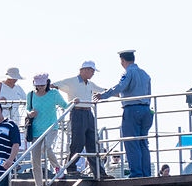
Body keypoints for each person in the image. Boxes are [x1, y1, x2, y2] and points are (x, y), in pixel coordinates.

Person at [94, 50, 153, 178]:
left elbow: (120, 87)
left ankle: (136, 173)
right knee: (143, 142)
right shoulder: (145, 74)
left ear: (122, 61)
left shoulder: (128, 72)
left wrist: (103, 95)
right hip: (146, 109)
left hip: (132, 109)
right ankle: (146, 173)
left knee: (131, 142)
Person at [53, 61, 109, 178]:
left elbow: (103, 90)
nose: (93, 73)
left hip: (88, 112)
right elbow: (53, 85)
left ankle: (98, 171)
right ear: (84, 70)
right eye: (91, 70)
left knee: (92, 143)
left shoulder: (90, 84)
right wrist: (65, 103)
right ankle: (71, 167)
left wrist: (118, 93)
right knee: (78, 142)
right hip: (77, 111)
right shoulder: (70, 81)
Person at [26, 73, 68, 186]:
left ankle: (57, 167)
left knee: (46, 147)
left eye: (42, 85)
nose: (40, 87)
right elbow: (28, 110)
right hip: (35, 130)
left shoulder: (54, 93)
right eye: (37, 85)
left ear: (47, 83)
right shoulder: (30, 95)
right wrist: (30, 114)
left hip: (51, 128)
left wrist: (75, 102)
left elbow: (65, 105)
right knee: (35, 160)